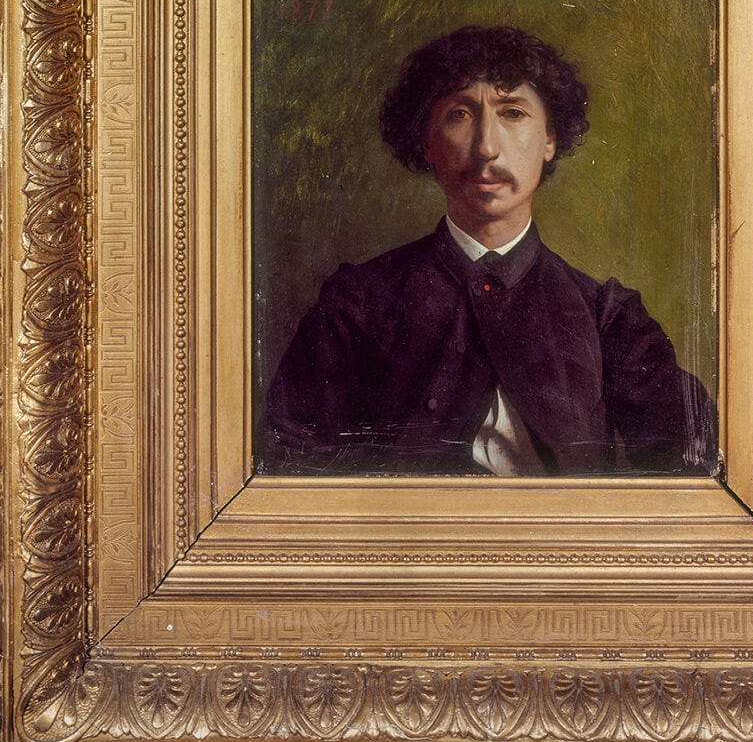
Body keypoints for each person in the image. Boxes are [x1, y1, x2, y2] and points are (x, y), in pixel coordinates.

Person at [262, 25, 717, 477]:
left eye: (513, 113)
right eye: (460, 114)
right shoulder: (357, 305)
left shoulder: (607, 318)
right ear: (427, 141)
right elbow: (290, 462)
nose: (486, 147)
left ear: (549, 139)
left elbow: (694, 466)